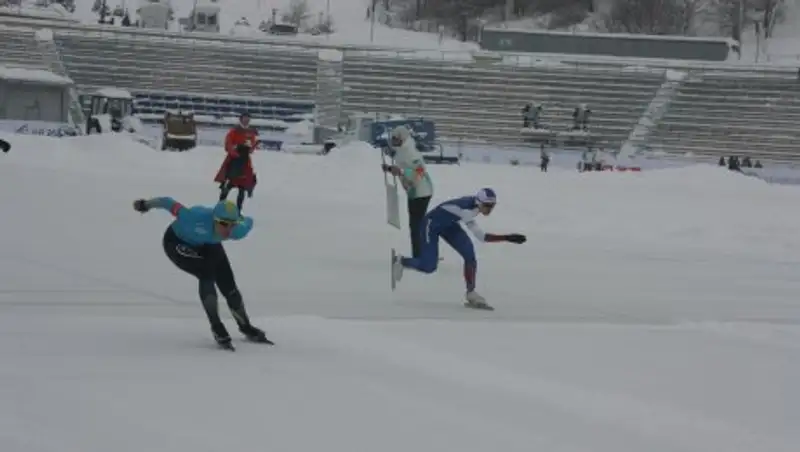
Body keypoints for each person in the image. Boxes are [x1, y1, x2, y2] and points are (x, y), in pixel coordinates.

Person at [132, 197, 272, 349]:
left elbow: (248, 221)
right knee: (206, 273)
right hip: (177, 242)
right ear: (214, 219)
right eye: (224, 224)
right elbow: (167, 202)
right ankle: (216, 326)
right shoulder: (193, 218)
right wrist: (146, 205)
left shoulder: (238, 231)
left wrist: (241, 219)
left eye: (233, 225)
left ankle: (245, 326)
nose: (228, 230)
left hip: (209, 244)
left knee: (228, 284)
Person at [391, 188, 526, 310]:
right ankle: (401, 261)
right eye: (487, 206)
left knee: (469, 255)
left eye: (492, 206)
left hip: (450, 225)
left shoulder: (474, 205)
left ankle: (471, 292)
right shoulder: (467, 210)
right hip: (431, 225)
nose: (489, 209)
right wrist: (507, 237)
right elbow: (482, 237)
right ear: (479, 203)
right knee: (429, 266)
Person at [381, 125, 434, 258]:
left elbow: (421, 170)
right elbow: (401, 168)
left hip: (422, 192)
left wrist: (402, 172)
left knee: (416, 225)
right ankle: (420, 254)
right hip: (412, 191)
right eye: (392, 138)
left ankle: (420, 255)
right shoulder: (401, 151)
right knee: (415, 225)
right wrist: (389, 169)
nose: (393, 141)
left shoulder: (410, 151)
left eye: (395, 139)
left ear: (402, 138)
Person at [214, 112, 258, 212]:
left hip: (245, 161)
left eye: (248, 118)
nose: (246, 120)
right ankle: (219, 208)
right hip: (234, 160)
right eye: (245, 118)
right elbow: (228, 143)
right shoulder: (234, 131)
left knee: (242, 188)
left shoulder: (251, 132)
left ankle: (238, 211)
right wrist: (234, 151)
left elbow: (251, 148)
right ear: (241, 119)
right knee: (227, 185)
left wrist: (253, 146)